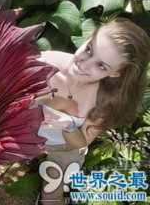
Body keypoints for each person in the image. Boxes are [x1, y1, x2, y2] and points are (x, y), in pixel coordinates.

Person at [35, 17, 150, 204]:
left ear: (115, 73)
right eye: (89, 49)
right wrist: (56, 102)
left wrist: (68, 126)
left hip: (64, 145)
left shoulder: (104, 102)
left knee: (52, 191)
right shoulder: (45, 63)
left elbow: (79, 144)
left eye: (101, 65)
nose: (84, 63)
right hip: (24, 129)